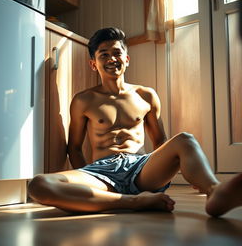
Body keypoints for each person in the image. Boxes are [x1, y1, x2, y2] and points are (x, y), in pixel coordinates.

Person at [28, 28, 242, 217]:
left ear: (127, 58)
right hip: (101, 172)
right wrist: (88, 180)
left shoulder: (146, 95)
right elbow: (74, 148)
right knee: (39, 185)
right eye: (104, 55)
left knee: (185, 140)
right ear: (94, 64)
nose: (112, 59)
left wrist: (185, 168)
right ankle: (134, 201)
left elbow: (161, 141)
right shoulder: (84, 100)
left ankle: (215, 192)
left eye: (117, 53)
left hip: (142, 168)